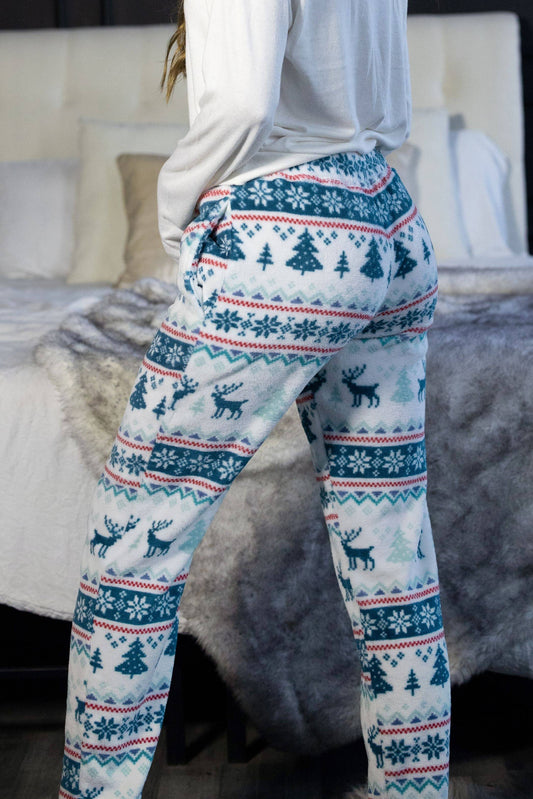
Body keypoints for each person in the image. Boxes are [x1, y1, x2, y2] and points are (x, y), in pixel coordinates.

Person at [59, 1, 451, 797]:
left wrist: (179, 216)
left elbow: (242, 103)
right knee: (392, 544)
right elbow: (386, 97)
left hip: (280, 222)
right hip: (388, 214)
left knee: (133, 545)